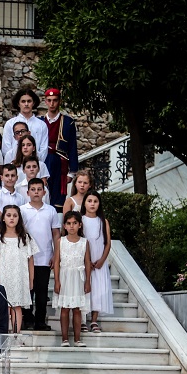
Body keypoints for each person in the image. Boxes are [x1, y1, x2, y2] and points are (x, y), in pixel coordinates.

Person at [0, 205, 38, 334]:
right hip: (2, 277)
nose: (12, 218)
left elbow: (30, 260)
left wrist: (31, 280)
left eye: (15, 216)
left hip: (19, 277)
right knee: (3, 307)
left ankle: (16, 335)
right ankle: (3, 335)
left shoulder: (25, 238)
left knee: (17, 306)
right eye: (8, 215)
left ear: (19, 218)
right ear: (3, 218)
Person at [20, 178, 60, 331]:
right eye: (33, 189)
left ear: (44, 192)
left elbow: (56, 234)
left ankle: (40, 321)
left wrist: (55, 254)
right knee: (27, 290)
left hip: (44, 258)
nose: (36, 192)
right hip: (27, 257)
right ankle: (28, 318)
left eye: (39, 189)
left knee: (42, 291)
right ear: (28, 192)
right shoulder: (22, 210)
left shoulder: (50, 210)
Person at [53, 210, 91, 347]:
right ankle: (64, 339)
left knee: (77, 309)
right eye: (68, 223)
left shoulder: (84, 242)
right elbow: (56, 262)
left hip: (78, 278)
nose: (72, 226)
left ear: (80, 225)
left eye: (75, 223)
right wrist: (57, 280)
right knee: (64, 308)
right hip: (65, 277)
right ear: (64, 226)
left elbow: (87, 262)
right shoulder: (60, 241)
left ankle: (77, 339)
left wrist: (88, 281)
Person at [81, 189, 114, 331]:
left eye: (95, 201)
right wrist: (85, 261)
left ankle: (94, 320)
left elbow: (107, 243)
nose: (92, 204)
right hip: (83, 261)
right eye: (89, 201)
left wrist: (101, 260)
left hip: (98, 261)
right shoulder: (80, 220)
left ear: (99, 204)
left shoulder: (103, 221)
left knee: (99, 290)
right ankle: (82, 319)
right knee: (83, 289)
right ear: (84, 203)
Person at [40, 88, 79, 207]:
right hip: (43, 161)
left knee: (58, 200)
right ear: (45, 101)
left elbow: (72, 147)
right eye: (49, 100)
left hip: (60, 163)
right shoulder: (39, 121)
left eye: (55, 100)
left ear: (59, 102)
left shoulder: (68, 122)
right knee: (42, 194)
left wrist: (72, 172)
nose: (52, 104)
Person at [2, 88, 48, 163]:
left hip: (35, 167)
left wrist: (33, 163)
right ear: (18, 103)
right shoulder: (10, 124)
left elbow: (44, 150)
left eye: (29, 101)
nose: (26, 104)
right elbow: (6, 149)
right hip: (14, 167)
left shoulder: (41, 125)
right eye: (23, 101)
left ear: (33, 103)